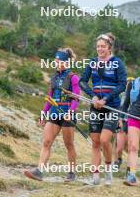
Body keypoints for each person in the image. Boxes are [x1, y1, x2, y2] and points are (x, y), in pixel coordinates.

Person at [24, 48, 80, 182]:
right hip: (54, 113)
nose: (56, 63)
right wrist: (43, 114)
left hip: (67, 114)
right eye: (55, 61)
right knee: (47, 142)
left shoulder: (73, 78)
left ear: (66, 62)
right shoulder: (54, 77)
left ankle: (72, 173)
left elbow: (76, 98)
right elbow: (50, 97)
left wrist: (70, 113)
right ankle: (39, 171)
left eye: (58, 61)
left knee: (69, 145)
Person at [79, 33, 127, 185]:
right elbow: (82, 82)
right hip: (95, 107)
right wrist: (93, 96)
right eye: (98, 46)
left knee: (105, 140)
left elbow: (122, 84)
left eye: (103, 46)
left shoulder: (117, 63)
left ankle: (108, 169)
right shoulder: (92, 62)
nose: (100, 49)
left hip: (112, 106)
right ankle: (95, 175)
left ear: (109, 47)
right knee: (95, 143)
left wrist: (106, 98)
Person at [114, 77, 135, 172]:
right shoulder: (120, 94)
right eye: (127, 82)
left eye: (131, 82)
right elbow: (118, 107)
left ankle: (129, 167)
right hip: (121, 120)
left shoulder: (135, 94)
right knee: (119, 147)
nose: (128, 84)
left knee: (130, 146)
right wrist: (119, 120)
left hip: (132, 122)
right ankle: (118, 160)